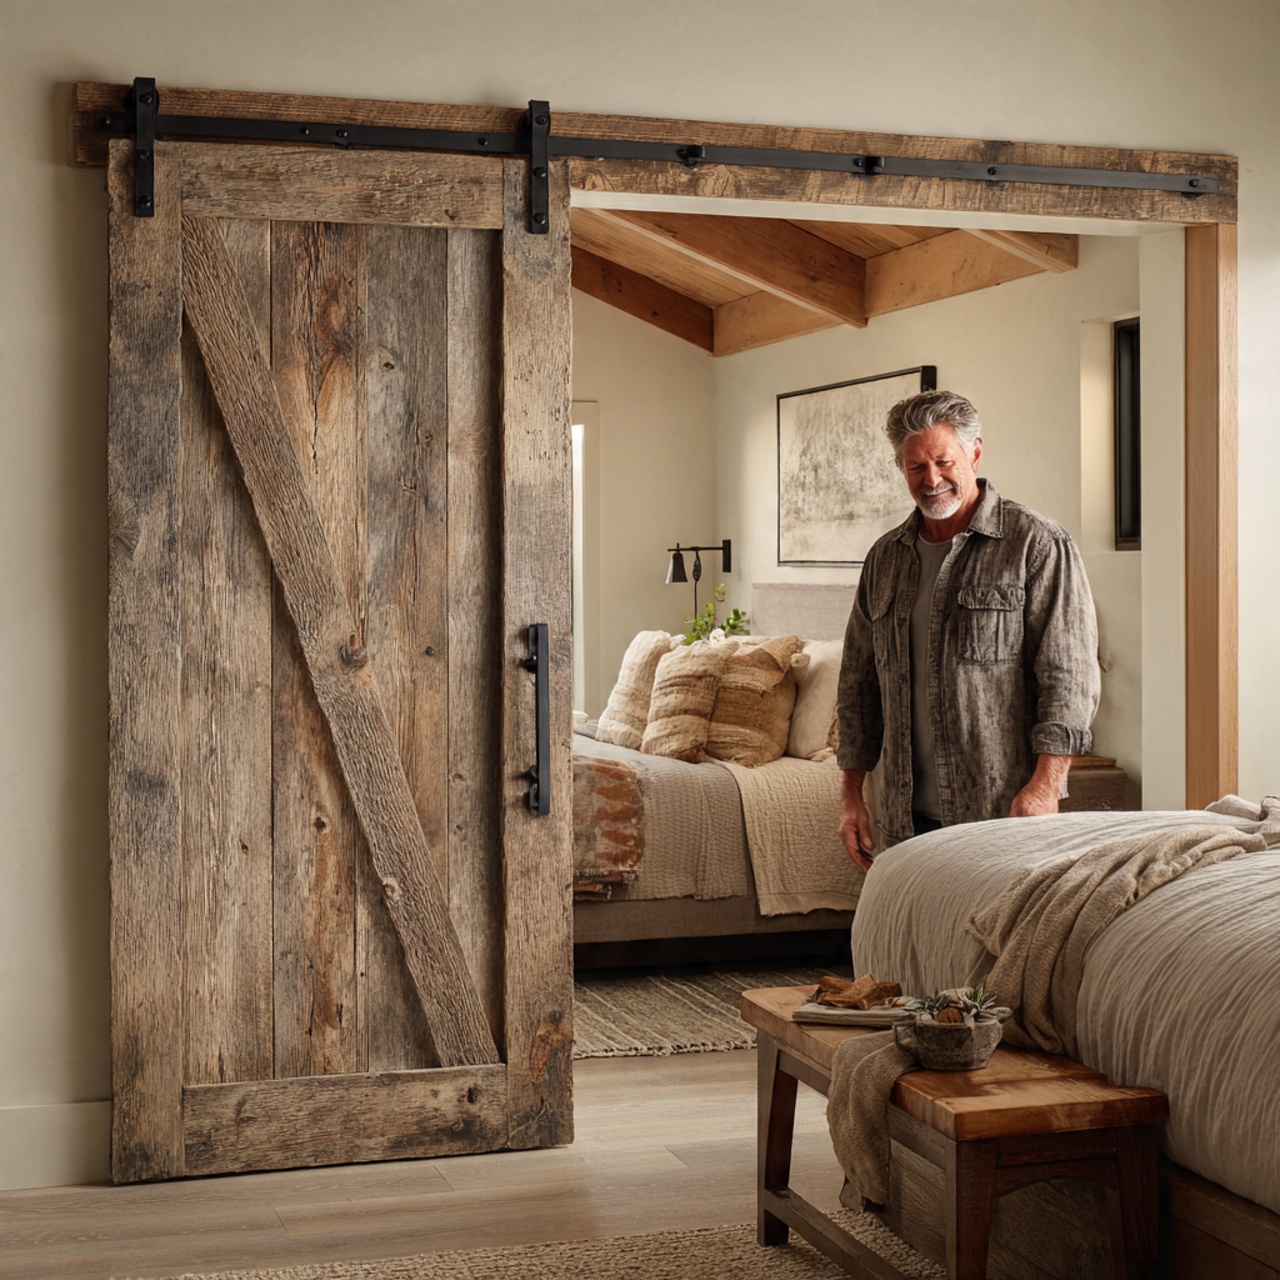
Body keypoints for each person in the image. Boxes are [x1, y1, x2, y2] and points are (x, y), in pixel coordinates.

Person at [836, 389, 1100, 869]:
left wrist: (1045, 788)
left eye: (943, 461)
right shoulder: (884, 559)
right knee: (905, 944)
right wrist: (851, 795)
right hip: (903, 824)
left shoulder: (1037, 545)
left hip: (1002, 815)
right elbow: (858, 685)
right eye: (915, 467)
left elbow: (1070, 680)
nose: (931, 479)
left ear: (975, 452)